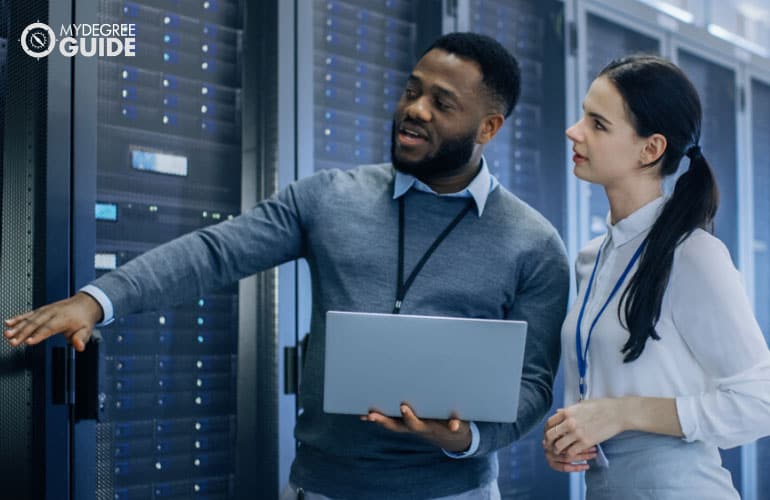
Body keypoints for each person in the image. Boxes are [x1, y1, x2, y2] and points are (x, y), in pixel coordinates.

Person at [5, 33, 570, 499]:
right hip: (322, 487)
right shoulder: (329, 198)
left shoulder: (534, 244)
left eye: (442, 104)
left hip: (454, 492)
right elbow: (214, 252)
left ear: (489, 128)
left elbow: (535, 384)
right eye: (411, 91)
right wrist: (98, 300)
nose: (414, 111)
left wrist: (466, 437)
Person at [542, 54, 770, 499]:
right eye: (582, 116)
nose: (574, 131)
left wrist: (625, 414)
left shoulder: (693, 256)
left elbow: (761, 402)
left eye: (597, 124)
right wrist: (574, 434)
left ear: (651, 149)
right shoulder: (592, 257)